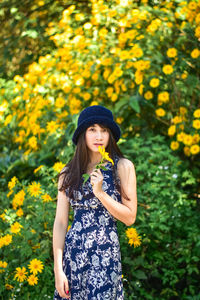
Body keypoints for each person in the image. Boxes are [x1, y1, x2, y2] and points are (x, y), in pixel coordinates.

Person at [53, 105, 137, 300]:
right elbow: (60, 223)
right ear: (83, 133)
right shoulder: (68, 172)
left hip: (105, 256)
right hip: (73, 257)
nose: (99, 136)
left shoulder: (122, 167)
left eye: (104, 130)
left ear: (110, 135)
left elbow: (130, 217)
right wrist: (58, 269)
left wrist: (100, 193)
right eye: (92, 129)